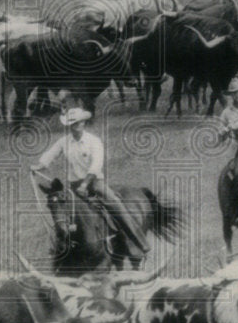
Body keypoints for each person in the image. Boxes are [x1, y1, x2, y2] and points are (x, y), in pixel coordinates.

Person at [31, 107, 151, 255]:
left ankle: (139, 242)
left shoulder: (93, 141)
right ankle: (60, 245)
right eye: (74, 123)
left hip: (94, 182)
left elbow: (96, 165)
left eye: (80, 122)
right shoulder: (64, 142)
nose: (78, 126)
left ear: (84, 123)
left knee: (115, 202)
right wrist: (39, 165)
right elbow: (51, 154)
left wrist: (85, 184)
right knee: (59, 210)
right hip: (74, 186)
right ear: (69, 126)